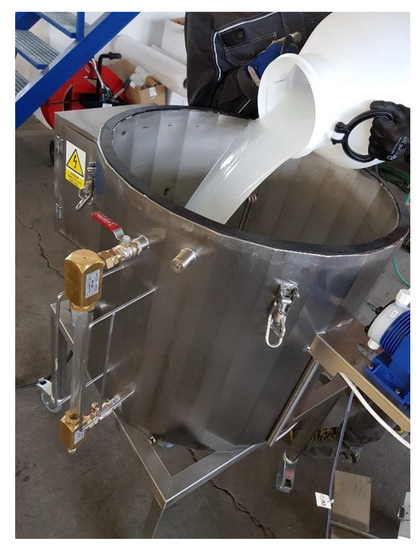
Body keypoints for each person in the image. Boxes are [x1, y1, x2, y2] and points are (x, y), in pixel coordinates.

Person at [184, 12, 330, 119]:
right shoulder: (203, 14)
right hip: (274, 133)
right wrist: (251, 77)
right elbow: (204, 113)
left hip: (337, 114)